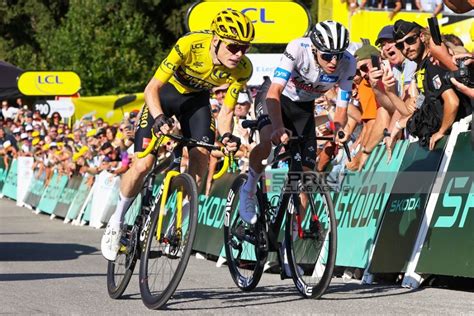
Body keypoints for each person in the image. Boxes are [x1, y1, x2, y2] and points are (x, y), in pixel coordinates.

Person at [101, 9, 255, 261]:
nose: (239, 54)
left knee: (202, 156)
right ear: (216, 40)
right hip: (165, 96)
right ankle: (116, 222)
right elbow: (152, 87)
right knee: (143, 164)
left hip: (197, 103)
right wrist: (159, 117)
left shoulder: (242, 69)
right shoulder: (189, 45)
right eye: (234, 47)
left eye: (245, 48)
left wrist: (226, 136)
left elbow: (227, 110)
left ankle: (178, 223)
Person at [239, 20, 356, 225]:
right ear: (314, 48)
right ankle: (248, 189)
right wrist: (277, 127)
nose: (333, 62)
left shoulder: (348, 63)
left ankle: (291, 238)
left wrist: (338, 128)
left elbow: (341, 108)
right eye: (327, 56)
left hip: (303, 109)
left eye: (337, 56)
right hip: (276, 99)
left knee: (306, 176)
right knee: (268, 142)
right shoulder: (298, 48)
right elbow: (274, 92)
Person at [389, 20, 470, 150]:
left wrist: (441, 131)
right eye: (400, 46)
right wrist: (399, 125)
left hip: (461, 139)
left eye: (410, 40)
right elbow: (424, 108)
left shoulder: (433, 63)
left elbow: (452, 102)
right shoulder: (421, 68)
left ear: (421, 37)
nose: (406, 48)